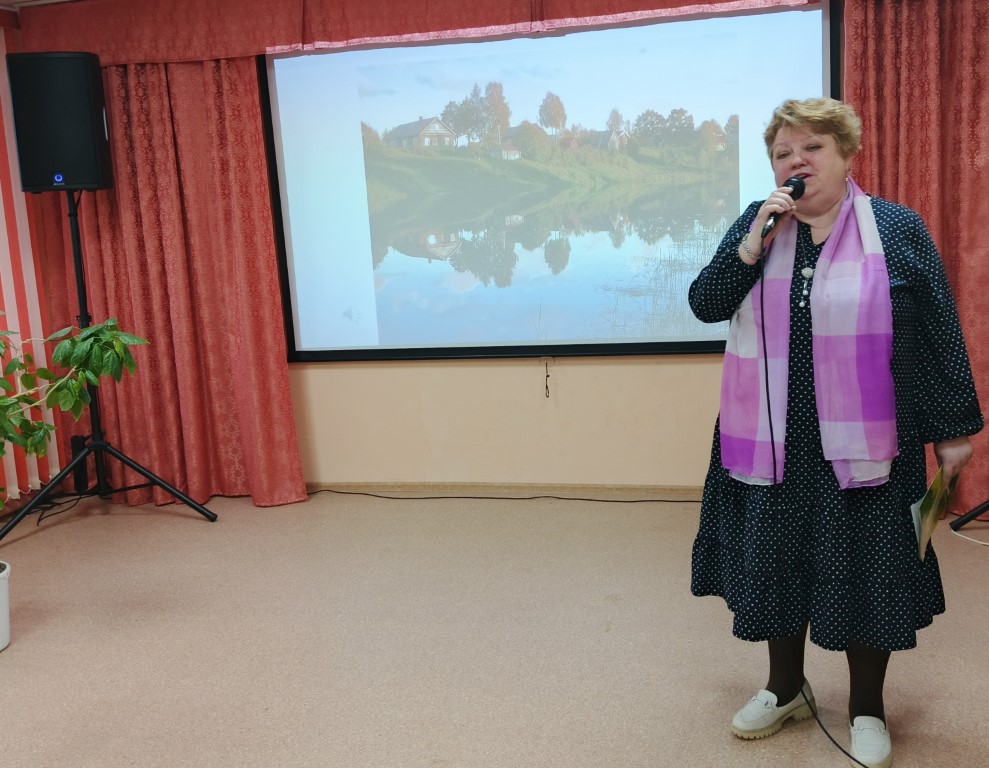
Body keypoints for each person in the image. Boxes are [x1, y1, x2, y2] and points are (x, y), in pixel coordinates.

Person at [688, 97, 983, 768]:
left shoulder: (895, 228)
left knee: (869, 570)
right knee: (777, 562)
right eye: (782, 153)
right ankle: (785, 688)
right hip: (772, 441)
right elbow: (706, 304)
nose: (795, 162)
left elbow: (938, 330)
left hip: (871, 444)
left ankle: (866, 708)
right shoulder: (758, 225)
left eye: (811, 148)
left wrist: (952, 430)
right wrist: (750, 245)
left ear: (847, 154)